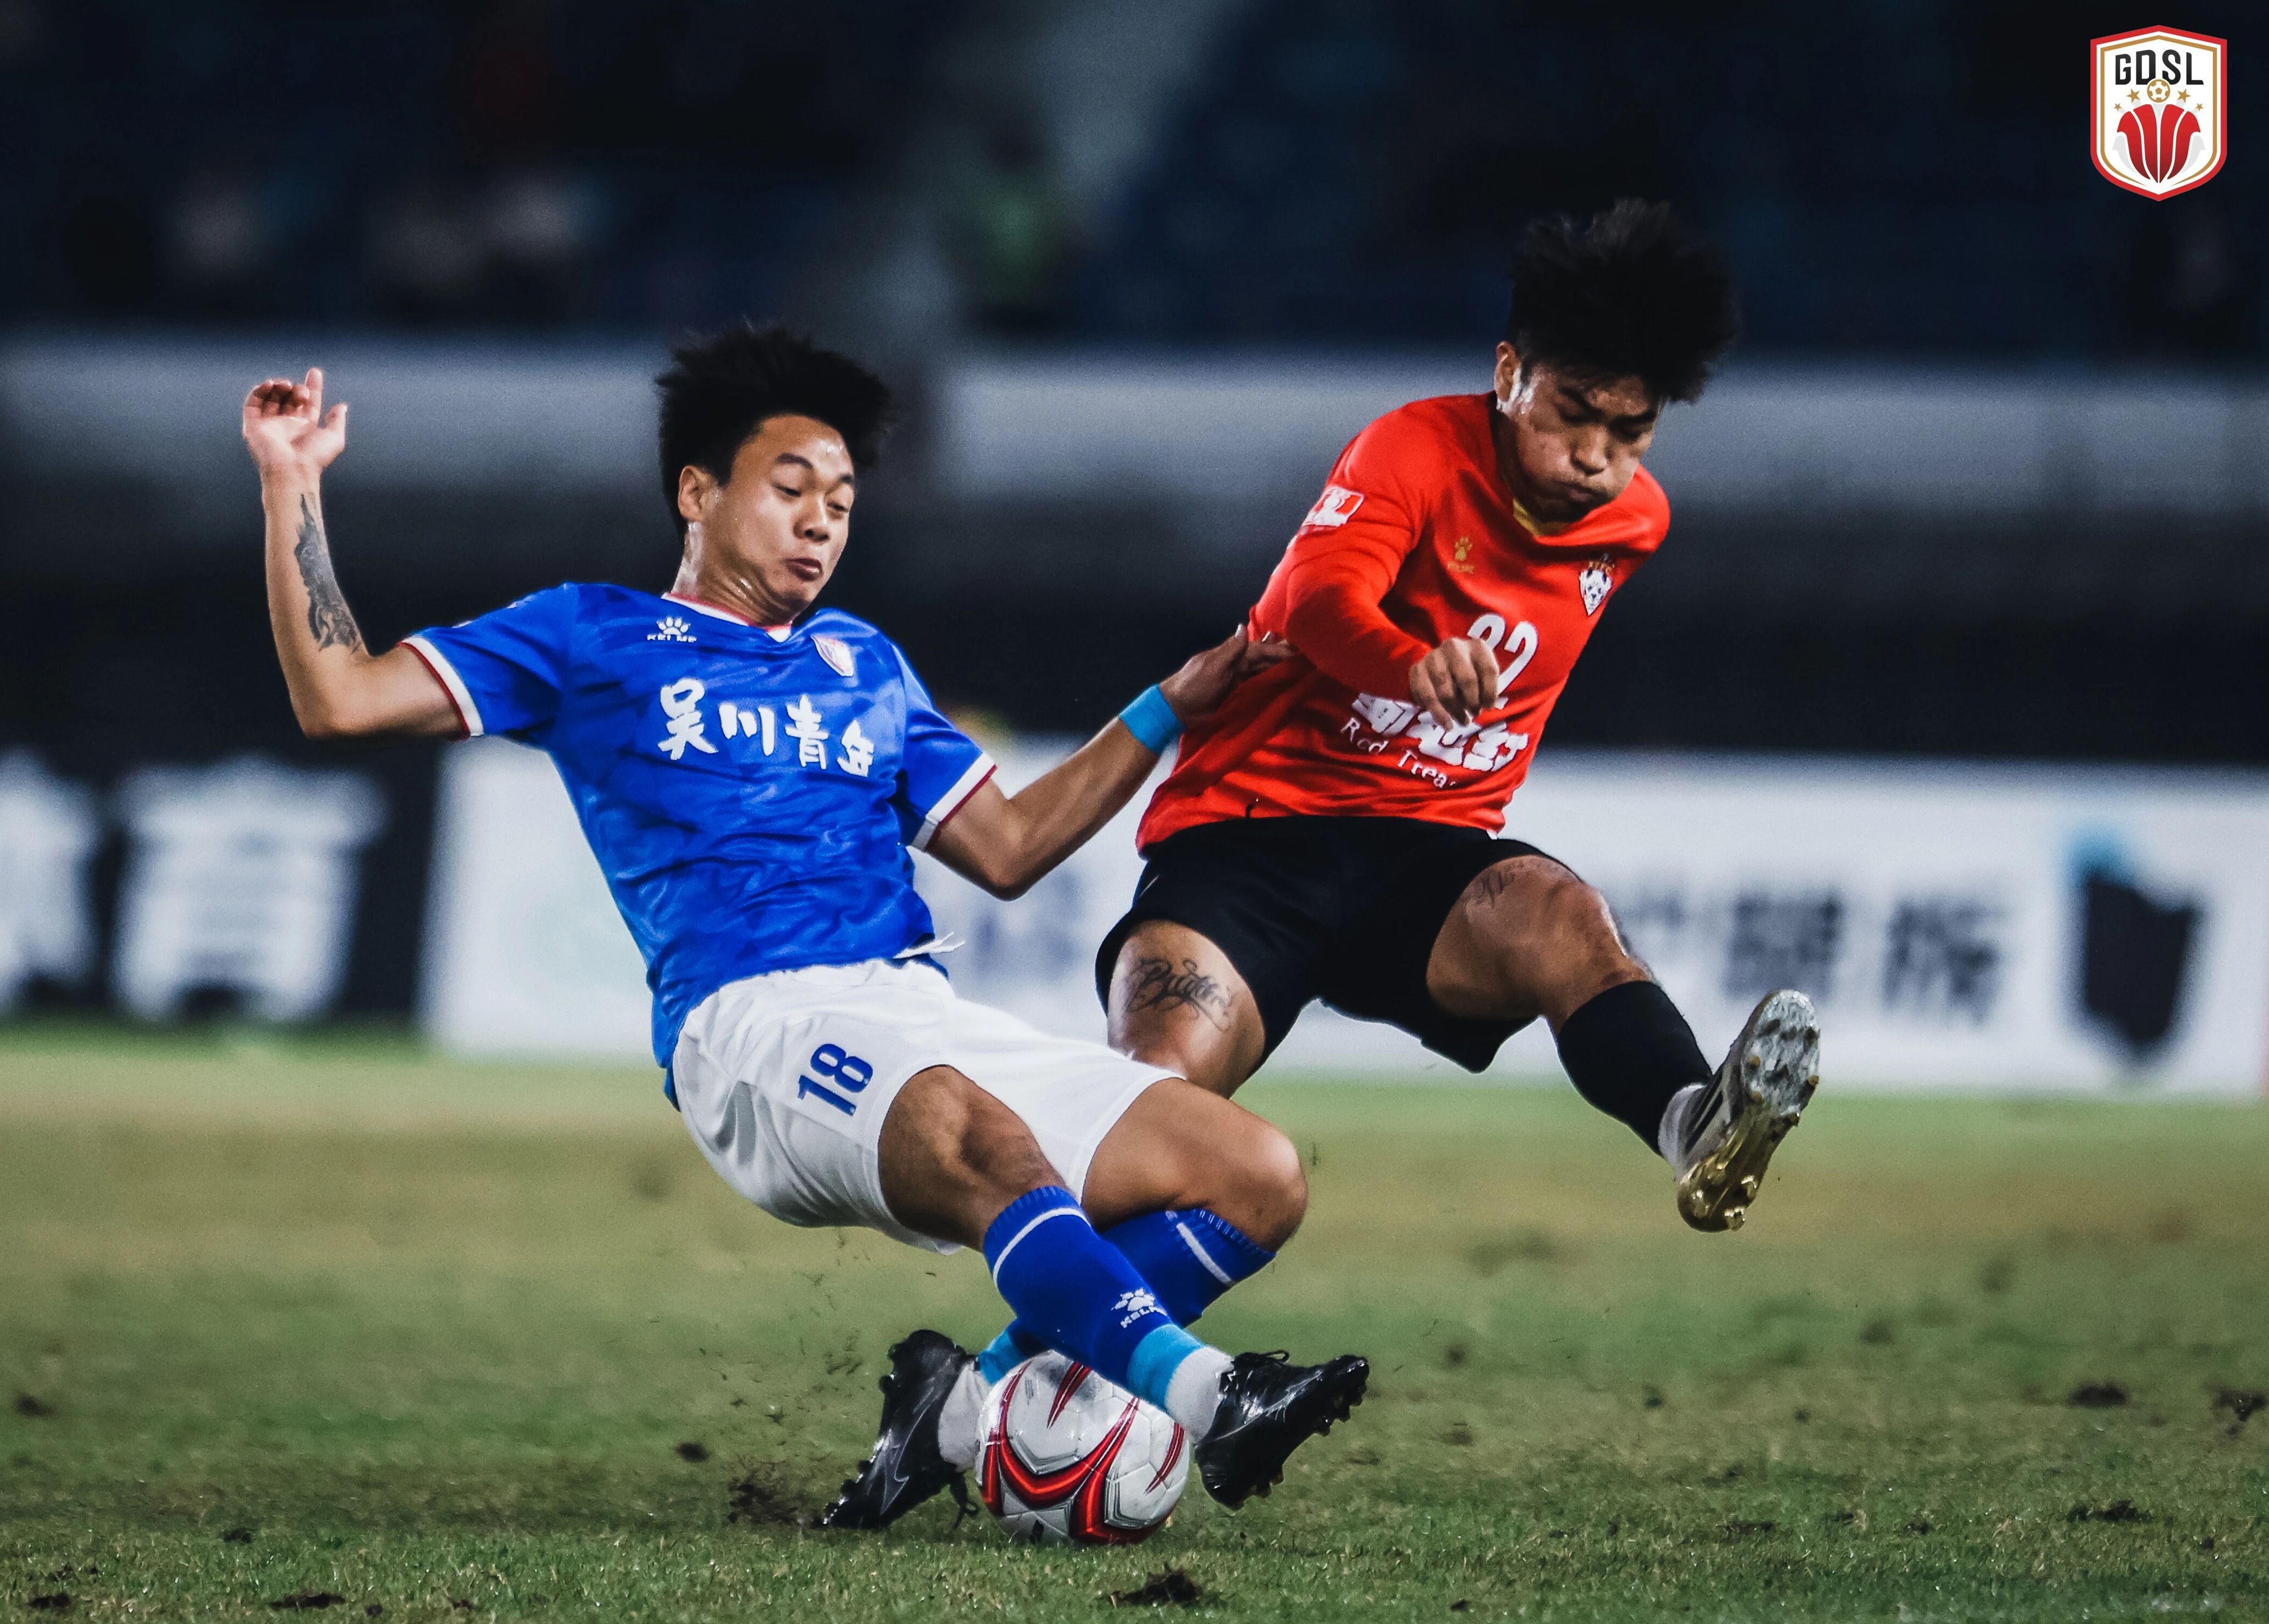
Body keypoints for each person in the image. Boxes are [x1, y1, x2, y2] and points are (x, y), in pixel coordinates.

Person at [238, 324, 1367, 1533]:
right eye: (791, 490)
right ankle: (1214, 1400)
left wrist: (1165, 708)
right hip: (751, 1027)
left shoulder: (862, 662)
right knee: (980, 1135)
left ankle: (954, 1410)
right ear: (697, 493)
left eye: (841, 501)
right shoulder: (588, 635)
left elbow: (1010, 848)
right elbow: (340, 696)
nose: (822, 522)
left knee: (1254, 1175)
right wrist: (290, 480)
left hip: (913, 1006)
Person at [956, 200, 1819, 1386]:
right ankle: (984, 1385)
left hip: (1425, 861)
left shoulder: (1635, 524)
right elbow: (1318, 603)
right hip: (1249, 842)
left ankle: (1690, 1122)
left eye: (1632, 431)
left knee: (1566, 919)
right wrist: (1411, 664)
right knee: (1158, 1111)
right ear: (1509, 374)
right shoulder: (1409, 450)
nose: (1598, 458)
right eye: (1573, 414)